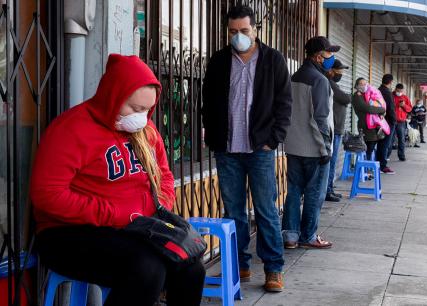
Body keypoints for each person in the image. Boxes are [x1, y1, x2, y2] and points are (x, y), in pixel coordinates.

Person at [30, 54, 205, 306]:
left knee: (191, 269)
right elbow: (47, 195)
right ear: (113, 95)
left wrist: (159, 205)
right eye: (135, 108)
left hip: (136, 229)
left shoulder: (145, 130)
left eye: (147, 110)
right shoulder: (70, 129)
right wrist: (113, 213)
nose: (141, 117)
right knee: (148, 269)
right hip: (68, 233)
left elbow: (164, 176)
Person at [201, 5, 292, 292]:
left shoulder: (273, 60)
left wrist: (273, 138)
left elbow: (284, 104)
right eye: (233, 32)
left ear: (255, 29)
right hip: (227, 149)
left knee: (265, 209)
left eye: (244, 30)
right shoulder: (218, 61)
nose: (238, 36)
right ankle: (239, 264)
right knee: (234, 212)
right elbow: (207, 102)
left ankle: (273, 268)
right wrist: (212, 136)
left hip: (260, 150)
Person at [282, 36, 340, 250]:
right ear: (318, 56)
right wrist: (325, 148)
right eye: (328, 54)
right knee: (315, 193)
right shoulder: (320, 80)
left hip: (293, 146)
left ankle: (290, 236)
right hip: (315, 149)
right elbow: (321, 118)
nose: (331, 58)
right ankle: (308, 235)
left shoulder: (294, 76)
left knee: (294, 191)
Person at [325, 59, 351, 202]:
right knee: (332, 161)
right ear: (331, 71)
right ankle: (327, 190)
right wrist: (349, 96)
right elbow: (346, 98)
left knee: (333, 161)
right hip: (333, 129)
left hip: (337, 128)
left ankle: (330, 188)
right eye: (339, 71)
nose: (341, 73)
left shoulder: (333, 84)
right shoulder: (330, 83)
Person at [352, 78, 386, 161]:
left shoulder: (367, 95)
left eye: (365, 84)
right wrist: (382, 110)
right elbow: (368, 109)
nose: (363, 86)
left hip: (372, 126)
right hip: (365, 127)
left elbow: (375, 104)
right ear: (356, 85)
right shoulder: (357, 96)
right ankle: (366, 169)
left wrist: (381, 111)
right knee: (368, 148)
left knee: (371, 148)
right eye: (361, 84)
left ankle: (368, 168)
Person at [378, 74, 396, 174]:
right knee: (385, 144)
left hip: (379, 121)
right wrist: (394, 121)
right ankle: (383, 166)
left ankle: (378, 163)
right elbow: (391, 109)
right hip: (388, 122)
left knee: (381, 143)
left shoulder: (378, 90)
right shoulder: (388, 93)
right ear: (390, 82)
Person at [393, 83, 413, 161]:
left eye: (401, 91)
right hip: (391, 120)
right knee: (390, 139)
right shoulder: (391, 96)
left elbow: (410, 109)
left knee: (401, 139)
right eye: (398, 91)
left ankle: (401, 156)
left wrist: (404, 105)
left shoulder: (405, 97)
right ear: (395, 89)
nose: (399, 92)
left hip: (401, 122)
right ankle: (386, 156)